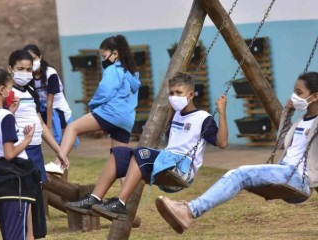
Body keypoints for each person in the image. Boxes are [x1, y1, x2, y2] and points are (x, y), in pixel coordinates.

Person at [155, 72, 318, 234]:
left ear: (315, 96)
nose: (294, 96)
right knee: (240, 175)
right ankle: (189, 211)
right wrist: (288, 111)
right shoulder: (301, 120)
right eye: (294, 92)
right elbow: (282, 140)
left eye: (299, 93)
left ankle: (189, 211)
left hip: (298, 178)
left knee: (239, 174)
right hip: (285, 173)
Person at [65, 72, 228, 221]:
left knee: (141, 153)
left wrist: (221, 113)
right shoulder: (175, 114)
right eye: (171, 93)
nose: (174, 96)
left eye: (179, 93)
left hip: (181, 168)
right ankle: (94, 198)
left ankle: (120, 202)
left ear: (190, 95)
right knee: (119, 153)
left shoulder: (203, 118)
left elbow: (222, 143)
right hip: (167, 160)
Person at [46, 35, 141, 174]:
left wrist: (93, 106)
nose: (103, 60)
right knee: (118, 160)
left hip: (110, 113)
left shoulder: (112, 70)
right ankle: (126, 194)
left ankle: (58, 164)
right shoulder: (132, 73)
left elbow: (105, 92)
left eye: (104, 55)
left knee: (72, 128)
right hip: (127, 120)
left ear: (115, 53)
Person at [0, 66, 40, 239]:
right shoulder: (4, 117)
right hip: (15, 178)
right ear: (2, 90)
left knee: (20, 232)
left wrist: (10, 113)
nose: (12, 90)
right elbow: (9, 153)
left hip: (2, 177)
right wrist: (27, 140)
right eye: (10, 86)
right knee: (18, 234)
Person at [7, 49, 69, 182]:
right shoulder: (7, 93)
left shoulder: (31, 92)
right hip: (19, 150)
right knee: (24, 192)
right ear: (10, 69)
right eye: (20, 69)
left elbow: (40, 123)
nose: (25, 73)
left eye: (29, 70)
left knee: (39, 189)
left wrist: (59, 151)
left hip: (36, 148)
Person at [22, 44, 79, 165]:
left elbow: (50, 101)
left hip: (58, 111)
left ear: (40, 57)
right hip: (42, 111)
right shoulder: (28, 76)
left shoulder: (50, 73)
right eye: (29, 59)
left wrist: (48, 127)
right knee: (54, 147)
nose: (32, 62)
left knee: (62, 147)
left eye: (34, 58)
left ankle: (62, 177)